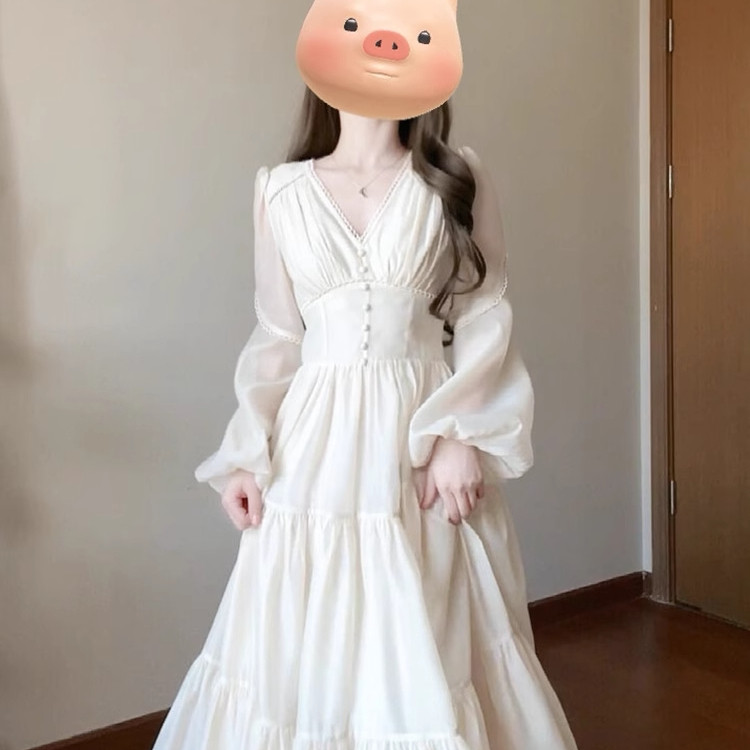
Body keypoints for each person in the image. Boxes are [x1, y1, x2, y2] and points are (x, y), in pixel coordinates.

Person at [152, 1, 578, 747]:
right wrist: (247, 454)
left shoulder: (456, 177)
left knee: (429, 641)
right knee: (309, 650)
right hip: (313, 450)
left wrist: (461, 435)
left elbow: (483, 314)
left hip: (420, 445)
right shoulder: (280, 191)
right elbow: (279, 335)